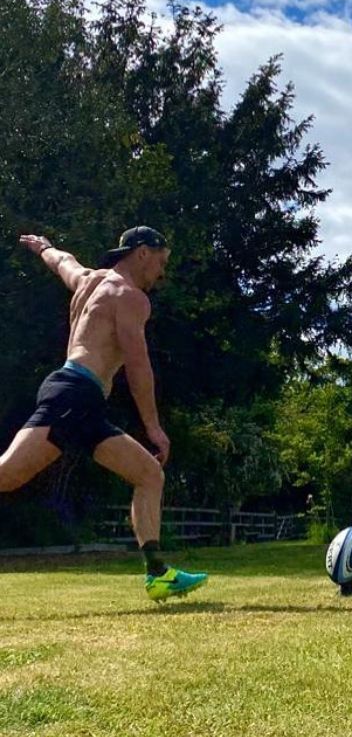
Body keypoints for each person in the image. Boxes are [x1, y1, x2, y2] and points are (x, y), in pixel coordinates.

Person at [0, 226, 208, 603]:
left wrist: (43, 246)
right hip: (75, 397)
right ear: (142, 252)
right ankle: (157, 572)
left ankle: (158, 573)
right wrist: (154, 428)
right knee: (6, 475)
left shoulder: (89, 281)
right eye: (161, 262)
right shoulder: (130, 297)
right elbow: (137, 363)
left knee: (148, 474)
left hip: (78, 397)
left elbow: (62, 261)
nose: (161, 273)